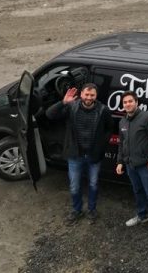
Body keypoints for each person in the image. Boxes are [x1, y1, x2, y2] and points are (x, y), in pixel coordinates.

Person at [46, 83, 113, 224]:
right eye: (86, 94)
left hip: (94, 156)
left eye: (92, 95)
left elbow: (109, 128)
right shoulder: (72, 107)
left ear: (96, 96)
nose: (89, 97)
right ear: (81, 94)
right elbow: (49, 115)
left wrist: (101, 146)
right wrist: (63, 102)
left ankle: (91, 209)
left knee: (93, 184)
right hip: (75, 155)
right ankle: (76, 210)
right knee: (75, 185)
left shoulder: (103, 110)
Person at [116, 91, 148, 237]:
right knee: (137, 191)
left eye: (130, 101)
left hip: (145, 165)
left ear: (136, 102)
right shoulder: (123, 121)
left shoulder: (146, 118)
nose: (128, 104)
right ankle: (142, 215)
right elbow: (121, 144)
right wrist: (120, 162)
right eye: (125, 102)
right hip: (131, 164)